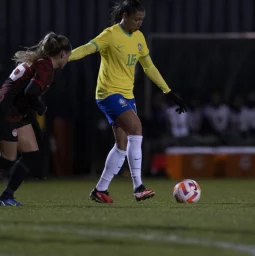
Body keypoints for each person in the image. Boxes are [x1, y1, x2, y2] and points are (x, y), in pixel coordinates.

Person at [69, 0, 186, 203]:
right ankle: (138, 186)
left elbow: (149, 67)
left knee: (122, 145)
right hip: (108, 93)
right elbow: (88, 48)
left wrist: (168, 92)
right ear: (124, 16)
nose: (139, 23)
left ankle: (100, 189)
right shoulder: (110, 34)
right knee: (136, 128)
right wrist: (64, 57)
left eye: (142, 19)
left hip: (127, 95)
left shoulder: (139, 37)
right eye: (136, 19)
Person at [0, 32, 72, 206]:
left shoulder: (41, 63)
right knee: (8, 159)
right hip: (6, 110)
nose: (68, 59)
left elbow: (26, 98)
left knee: (31, 153)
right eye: (68, 55)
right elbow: (30, 93)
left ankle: (7, 197)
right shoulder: (44, 67)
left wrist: (34, 124)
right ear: (62, 54)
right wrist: (42, 108)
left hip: (17, 110)